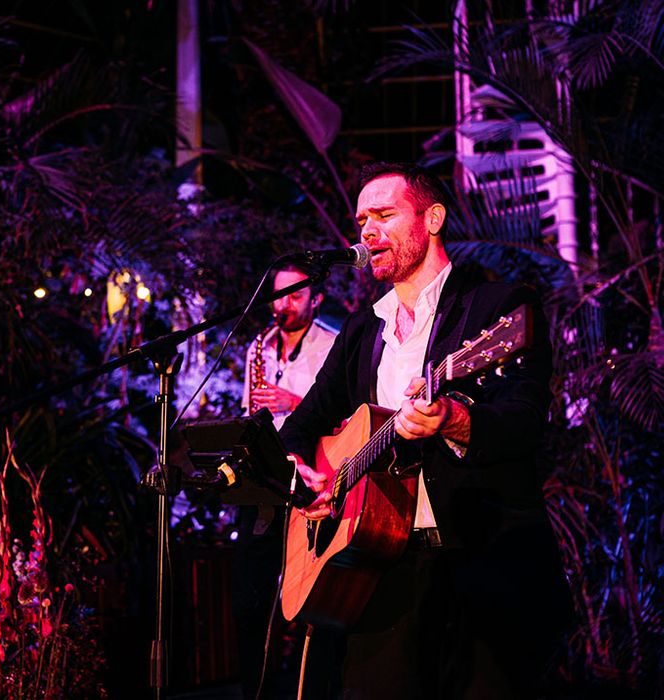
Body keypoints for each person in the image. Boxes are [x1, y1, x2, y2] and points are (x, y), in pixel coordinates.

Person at [279, 162, 572, 699]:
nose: (367, 232)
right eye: (362, 220)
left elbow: (526, 421)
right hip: (380, 569)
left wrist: (452, 420)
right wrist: (308, 480)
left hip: (482, 563)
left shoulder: (499, 308)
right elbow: (300, 426)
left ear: (432, 218)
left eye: (385, 215)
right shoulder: (364, 328)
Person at [233, 264, 337, 699]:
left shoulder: (333, 344)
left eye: (295, 296)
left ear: (316, 300)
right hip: (264, 481)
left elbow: (343, 416)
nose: (284, 305)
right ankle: (255, 688)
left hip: (310, 478)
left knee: (307, 598)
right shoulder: (258, 347)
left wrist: (292, 402)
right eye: (279, 296)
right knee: (251, 593)